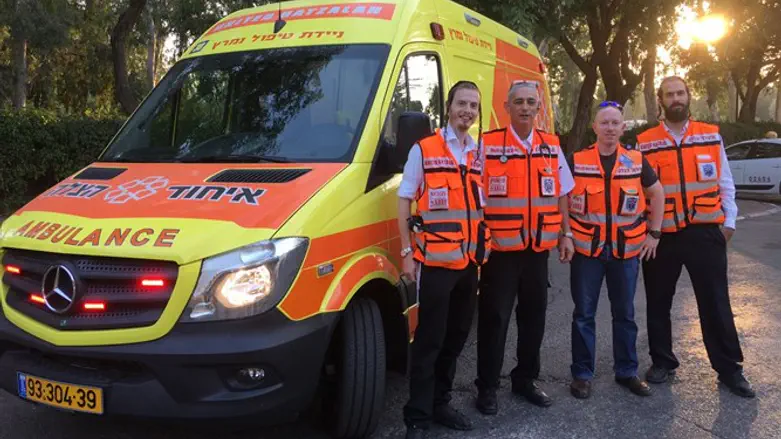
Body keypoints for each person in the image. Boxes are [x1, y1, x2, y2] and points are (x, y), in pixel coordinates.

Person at [635, 75, 755, 398]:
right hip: (661, 234)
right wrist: (644, 231)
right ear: (660, 100)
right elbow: (637, 190)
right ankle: (662, 361)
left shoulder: (710, 135)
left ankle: (729, 369)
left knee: (715, 301)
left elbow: (725, 182)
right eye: (669, 94)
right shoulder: (645, 142)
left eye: (680, 93)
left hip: (705, 232)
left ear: (688, 96)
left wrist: (729, 222)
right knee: (658, 301)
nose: (675, 99)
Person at [398, 80, 492, 439]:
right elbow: (405, 200)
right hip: (436, 263)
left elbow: (480, 205)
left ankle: (441, 403)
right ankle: (417, 417)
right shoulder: (424, 149)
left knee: (455, 338)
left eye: (473, 106)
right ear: (449, 107)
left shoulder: (477, 153)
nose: (467, 111)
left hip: (468, 264)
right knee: (429, 342)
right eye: (462, 103)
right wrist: (406, 253)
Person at [474, 79, 575, 415]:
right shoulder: (487, 145)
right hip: (500, 251)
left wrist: (566, 234)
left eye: (531, 102)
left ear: (539, 107)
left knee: (534, 318)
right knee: (494, 319)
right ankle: (487, 386)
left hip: (537, 252)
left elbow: (563, 192)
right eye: (518, 102)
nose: (525, 107)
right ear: (507, 107)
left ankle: (525, 380)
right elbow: (474, 195)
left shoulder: (551, 146)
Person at [566, 101, 665, 399]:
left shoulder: (635, 160)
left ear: (623, 128)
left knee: (625, 314)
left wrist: (654, 233)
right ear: (594, 127)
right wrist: (565, 234)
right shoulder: (577, 160)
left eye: (615, 123)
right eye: (604, 123)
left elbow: (657, 193)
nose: (610, 128)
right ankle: (582, 375)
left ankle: (627, 371)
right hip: (587, 252)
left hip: (625, 253)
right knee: (584, 315)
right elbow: (560, 197)